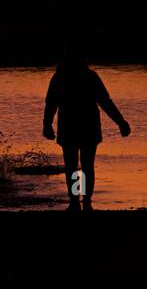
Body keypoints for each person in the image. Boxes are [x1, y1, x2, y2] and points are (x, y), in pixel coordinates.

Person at [43, 47, 130, 210]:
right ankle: (83, 201)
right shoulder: (88, 76)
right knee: (84, 164)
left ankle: (79, 201)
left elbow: (51, 104)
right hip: (84, 125)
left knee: (74, 164)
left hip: (74, 125)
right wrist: (121, 122)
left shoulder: (61, 77)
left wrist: (47, 124)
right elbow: (105, 102)